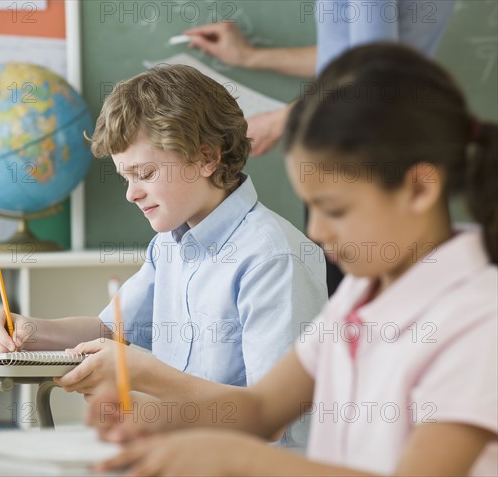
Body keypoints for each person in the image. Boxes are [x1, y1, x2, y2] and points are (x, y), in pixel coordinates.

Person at [88, 44, 498, 476]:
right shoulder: (362, 291)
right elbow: (262, 407)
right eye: (310, 207)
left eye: (335, 209)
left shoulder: (479, 318)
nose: (317, 232)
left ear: (419, 189)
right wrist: (149, 419)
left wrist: (234, 458)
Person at [0, 64, 328, 446]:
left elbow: (270, 419)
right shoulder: (170, 244)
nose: (131, 194)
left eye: (144, 173)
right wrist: (29, 330)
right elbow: (110, 330)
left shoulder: (271, 256)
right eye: (125, 177)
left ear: (206, 158)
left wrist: (144, 374)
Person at [185, 0, 456, 157]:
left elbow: (372, 72)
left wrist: (282, 120)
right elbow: (348, 56)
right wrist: (248, 56)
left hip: (361, 149)